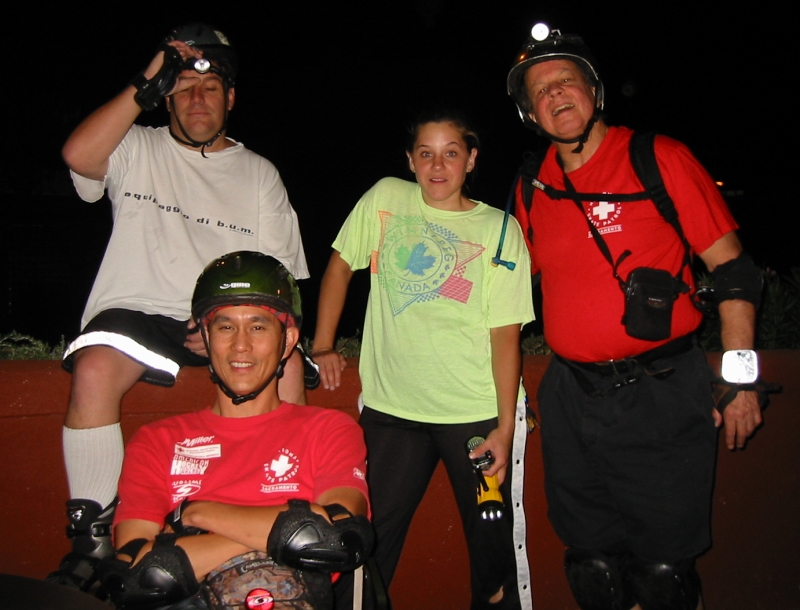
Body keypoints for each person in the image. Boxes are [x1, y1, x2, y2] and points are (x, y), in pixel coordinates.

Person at [506, 23, 764, 610]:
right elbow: (502, 293)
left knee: (661, 572)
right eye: (539, 90)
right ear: (529, 111)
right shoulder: (531, 183)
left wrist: (740, 377)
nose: (555, 96)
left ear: (594, 90)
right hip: (572, 397)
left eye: (565, 81)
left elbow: (734, 271)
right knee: (591, 564)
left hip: (662, 391)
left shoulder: (658, 157)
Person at [52, 23, 309, 590]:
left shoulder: (259, 172)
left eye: (212, 87)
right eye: (184, 88)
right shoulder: (135, 146)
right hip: (136, 309)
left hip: (222, 308)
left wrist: (222, 321)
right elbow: (77, 153)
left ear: (231, 98)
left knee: (287, 364)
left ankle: (288, 512)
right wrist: (148, 76)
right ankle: (92, 541)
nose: (198, 98)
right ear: (165, 95)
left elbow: (278, 277)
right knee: (94, 366)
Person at [312, 111, 534, 609]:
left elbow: (505, 335)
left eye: (451, 152)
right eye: (426, 153)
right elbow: (340, 266)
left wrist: (504, 426)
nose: (438, 165)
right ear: (410, 160)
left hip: (473, 414)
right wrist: (323, 345)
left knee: (493, 548)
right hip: (393, 410)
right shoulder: (386, 198)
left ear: (471, 160)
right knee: (366, 541)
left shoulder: (500, 230)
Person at [101, 251, 371, 610]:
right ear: (207, 339)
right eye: (225, 326)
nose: (240, 345)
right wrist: (287, 532)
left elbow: (333, 540)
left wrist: (194, 514)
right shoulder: (158, 441)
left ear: (287, 341)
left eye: (258, 327)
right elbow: (143, 573)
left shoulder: (328, 429)